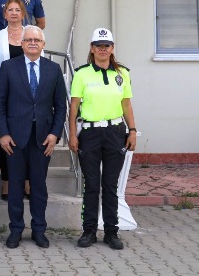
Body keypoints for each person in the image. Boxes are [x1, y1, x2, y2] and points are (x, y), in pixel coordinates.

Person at [0, 25, 66, 249]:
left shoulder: (53, 69)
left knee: (38, 186)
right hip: (14, 138)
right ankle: (15, 230)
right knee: (15, 186)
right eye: (28, 40)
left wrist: (55, 134)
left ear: (43, 45)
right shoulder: (8, 67)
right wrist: (3, 134)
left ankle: (39, 230)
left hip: (43, 139)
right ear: (22, 44)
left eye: (37, 40)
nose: (33, 43)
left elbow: (60, 106)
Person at [68, 27, 137, 251]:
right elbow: (74, 107)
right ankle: (88, 231)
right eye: (98, 45)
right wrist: (72, 134)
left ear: (112, 48)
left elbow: (126, 104)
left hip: (115, 133)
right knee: (91, 185)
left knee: (110, 185)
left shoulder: (123, 73)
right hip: (90, 134)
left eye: (106, 45)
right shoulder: (82, 74)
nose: (102, 49)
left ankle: (111, 232)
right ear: (92, 48)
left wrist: (132, 130)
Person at [0, 0, 31, 200]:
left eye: (17, 10)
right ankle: (6, 182)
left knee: (29, 138)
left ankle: (27, 181)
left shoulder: (31, 34)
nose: (14, 13)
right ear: (4, 14)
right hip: (6, 94)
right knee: (5, 137)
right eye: (10, 10)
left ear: (23, 13)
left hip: (29, 94)